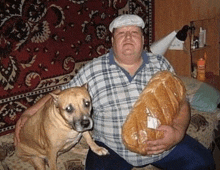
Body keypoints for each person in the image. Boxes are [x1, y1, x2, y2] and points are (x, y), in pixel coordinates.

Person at [14, 14, 215, 170]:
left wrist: (177, 133)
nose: (128, 37)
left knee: (203, 162)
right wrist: (29, 112)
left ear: (142, 39)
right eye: (121, 33)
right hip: (113, 148)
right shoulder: (93, 70)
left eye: (134, 32)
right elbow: (63, 93)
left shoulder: (161, 63)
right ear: (112, 41)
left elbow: (181, 102)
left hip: (162, 144)